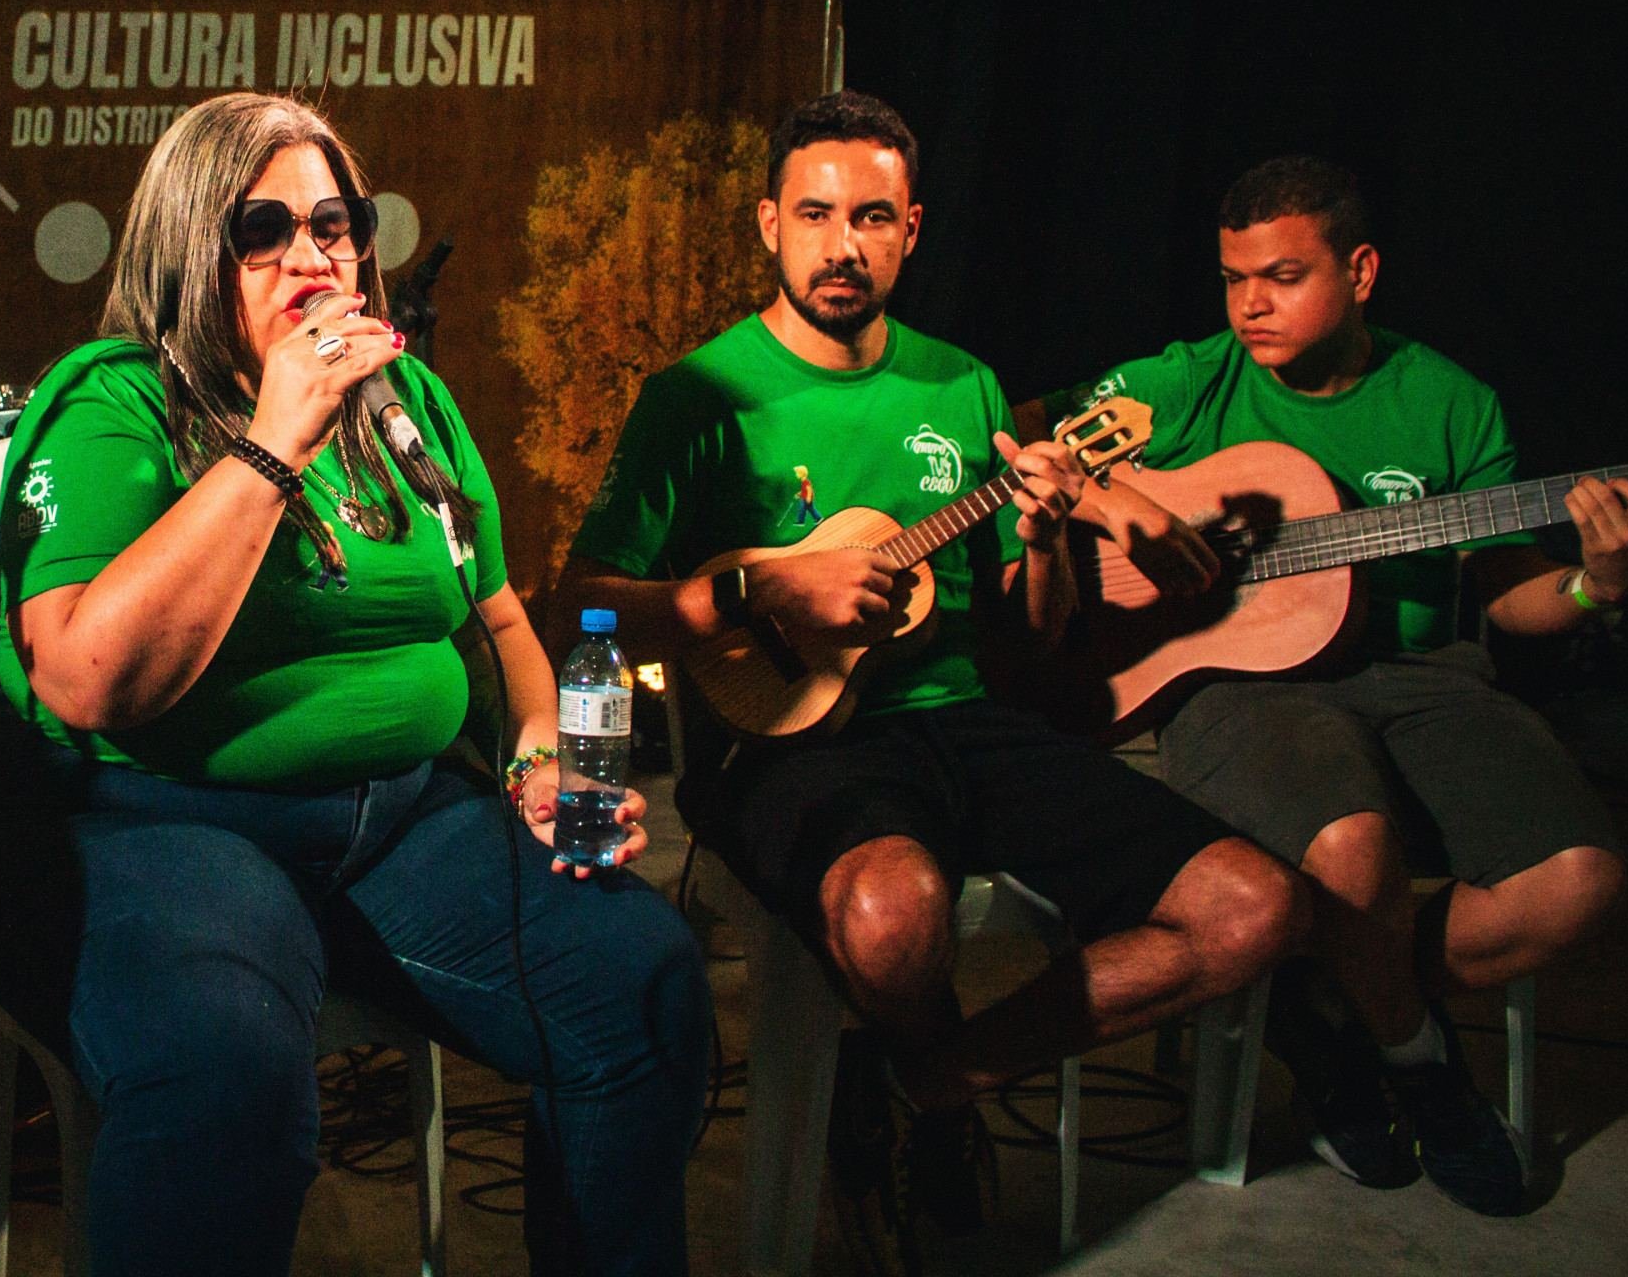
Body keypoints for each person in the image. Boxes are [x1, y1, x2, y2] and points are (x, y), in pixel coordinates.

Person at [0, 91, 710, 1277]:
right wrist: (273, 440)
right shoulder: (112, 402)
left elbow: (504, 623)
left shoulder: (414, 409)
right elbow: (88, 682)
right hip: (163, 823)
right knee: (227, 1085)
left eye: (334, 224)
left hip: (401, 819)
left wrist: (556, 760)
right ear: (193, 247)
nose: (312, 253)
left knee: (642, 988)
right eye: (263, 229)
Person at [546, 90, 1304, 1273]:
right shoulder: (697, 399)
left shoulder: (966, 390)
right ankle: (925, 1080)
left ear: (913, 231)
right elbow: (580, 607)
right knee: (896, 914)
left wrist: (1048, 535)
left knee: (1253, 905)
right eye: (816, 213)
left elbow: (1027, 649)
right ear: (767, 225)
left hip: (970, 725)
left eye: (873, 219)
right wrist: (761, 595)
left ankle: (930, 1081)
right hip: (787, 748)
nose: (843, 244)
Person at [1027, 154, 1628, 1215]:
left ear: (1359, 272)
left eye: (1281, 275)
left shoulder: (1451, 402)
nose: (1249, 305)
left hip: (1420, 678)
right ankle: (1417, 1063)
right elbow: (1033, 444)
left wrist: (1595, 585)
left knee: (1578, 881)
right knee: (1352, 848)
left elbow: (1512, 599)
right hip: (1235, 687)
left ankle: (1322, 995)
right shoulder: (1188, 379)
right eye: (1232, 278)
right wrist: (1129, 512)